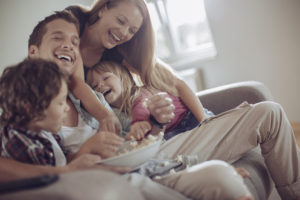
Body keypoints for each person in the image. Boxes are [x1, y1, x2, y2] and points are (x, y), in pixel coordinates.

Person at [0, 10, 254, 200]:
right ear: (33, 52)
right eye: (58, 37)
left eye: (74, 41)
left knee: (221, 175)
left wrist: (154, 125)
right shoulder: (23, 109)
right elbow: (55, 172)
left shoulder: (91, 98)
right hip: (109, 184)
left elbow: (131, 143)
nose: (69, 44)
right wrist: (82, 154)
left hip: (142, 169)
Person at [67, 1, 300, 199]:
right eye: (120, 20)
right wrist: (107, 116)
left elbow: (175, 82)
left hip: (160, 144)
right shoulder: (70, 32)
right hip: (134, 157)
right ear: (103, 8)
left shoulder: (121, 54)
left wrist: (202, 120)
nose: (124, 32)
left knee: (270, 112)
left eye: (132, 30)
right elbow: (76, 83)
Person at [86, 60, 213, 140]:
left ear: (123, 78)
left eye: (105, 78)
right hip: (170, 131)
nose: (100, 86)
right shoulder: (115, 112)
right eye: (94, 86)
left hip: (189, 120)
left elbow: (142, 107)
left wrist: (139, 123)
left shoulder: (138, 92)